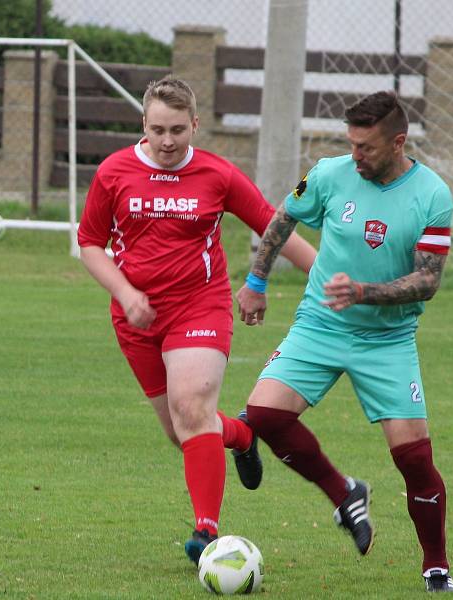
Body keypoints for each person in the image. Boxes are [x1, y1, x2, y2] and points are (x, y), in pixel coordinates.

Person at [77, 76, 316, 564]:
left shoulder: (217, 175)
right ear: (143, 124)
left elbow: (272, 225)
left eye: (178, 131)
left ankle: (206, 532)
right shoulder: (113, 172)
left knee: (191, 409)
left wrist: (329, 275)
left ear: (195, 126)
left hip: (199, 305)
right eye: (159, 129)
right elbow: (89, 244)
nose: (168, 141)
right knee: (182, 432)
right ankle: (242, 434)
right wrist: (124, 293)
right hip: (137, 317)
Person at [236, 91, 453, 593]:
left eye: (367, 148)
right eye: (352, 144)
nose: (355, 155)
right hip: (320, 323)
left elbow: (428, 281)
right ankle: (345, 493)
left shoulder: (431, 195)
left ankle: (436, 568)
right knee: (266, 414)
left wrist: (364, 292)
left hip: (388, 339)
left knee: (415, 461)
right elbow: (282, 218)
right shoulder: (329, 174)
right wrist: (256, 282)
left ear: (398, 142)